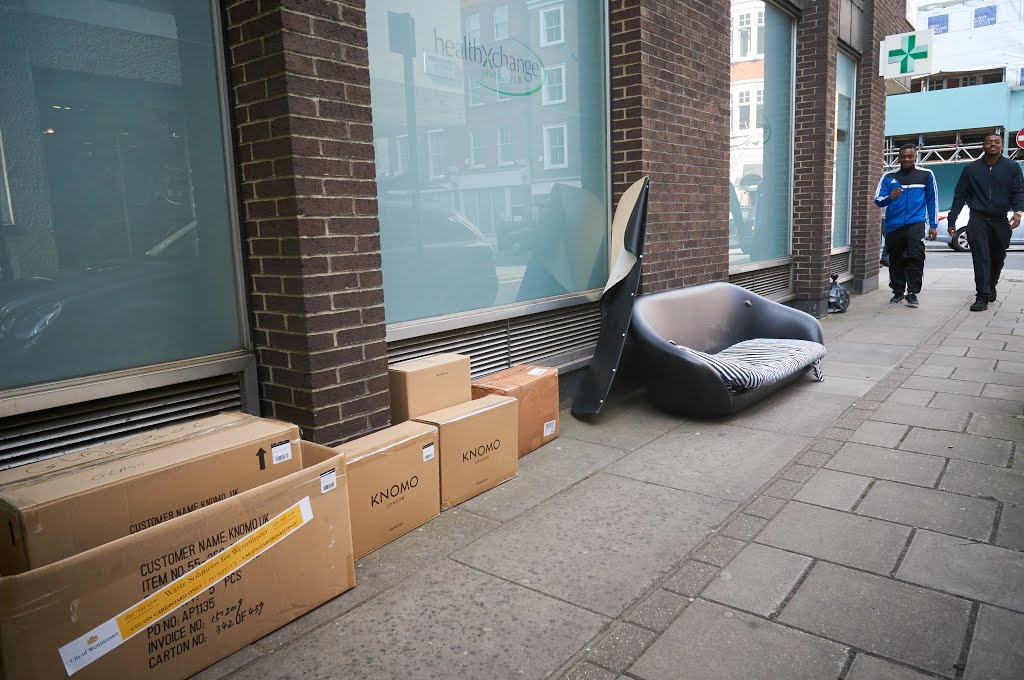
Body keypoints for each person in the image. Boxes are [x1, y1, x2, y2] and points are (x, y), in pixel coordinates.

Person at [946, 132, 1024, 311]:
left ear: (1002, 146)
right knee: (980, 257)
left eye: (997, 142)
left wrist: (1018, 213)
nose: (993, 145)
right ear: (983, 146)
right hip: (977, 219)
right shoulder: (971, 169)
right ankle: (982, 295)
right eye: (989, 142)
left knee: (998, 257)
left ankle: (991, 285)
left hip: (1000, 219)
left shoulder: (1012, 167)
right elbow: (960, 195)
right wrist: (952, 220)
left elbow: (1019, 192)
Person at [874, 143, 939, 308]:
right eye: (903, 157)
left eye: (910, 156)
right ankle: (897, 291)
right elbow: (878, 200)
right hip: (893, 224)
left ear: (915, 156)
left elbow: (932, 200)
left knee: (916, 256)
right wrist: (890, 197)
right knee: (895, 259)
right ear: (898, 157)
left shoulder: (926, 175)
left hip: (915, 222)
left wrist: (933, 224)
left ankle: (913, 292)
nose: (907, 159)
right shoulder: (888, 177)